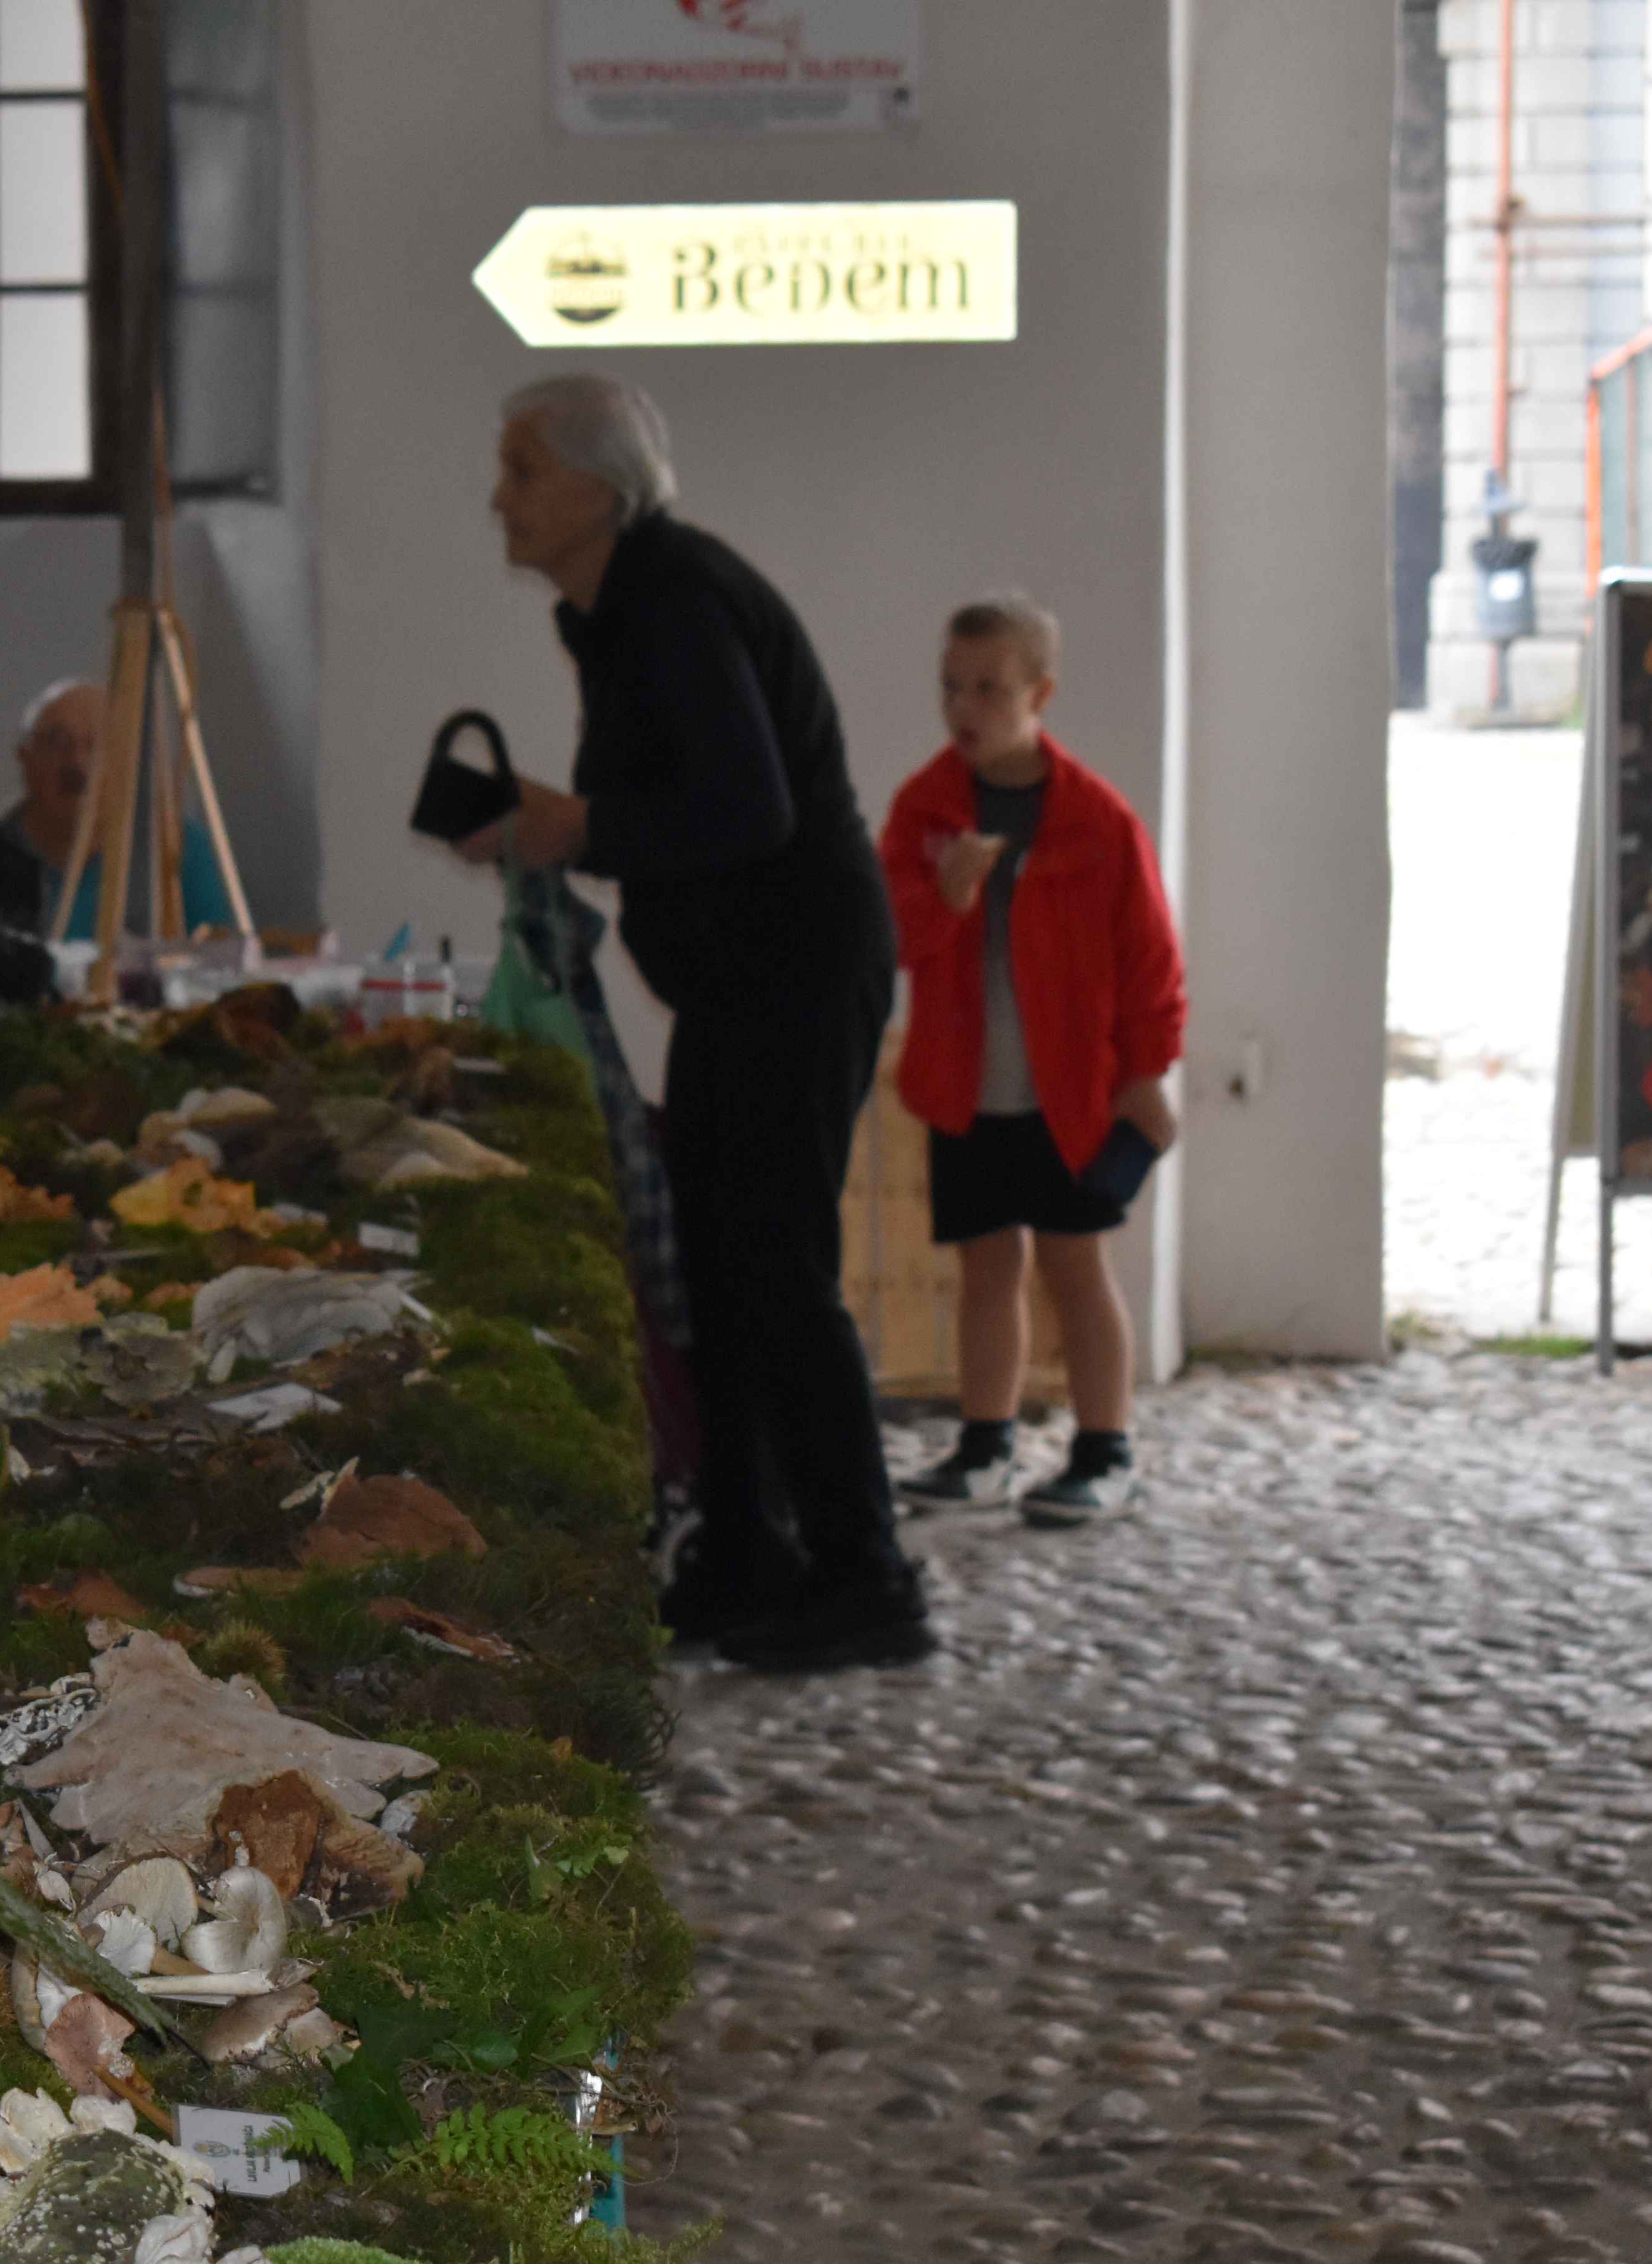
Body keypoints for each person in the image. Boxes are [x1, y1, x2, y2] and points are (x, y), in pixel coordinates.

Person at [453, 374, 927, 1672]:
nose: (500, 497)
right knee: (720, 1269)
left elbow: (747, 807)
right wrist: (561, 824)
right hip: (748, 983)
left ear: (598, 488)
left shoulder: (673, 598)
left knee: (775, 1267)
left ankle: (867, 1575)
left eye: (523, 468)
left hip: (798, 969)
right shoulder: (621, 609)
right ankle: (742, 1555)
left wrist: (579, 826)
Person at [877, 595, 1186, 1524]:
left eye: (989, 688)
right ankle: (986, 1447)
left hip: (1071, 1095)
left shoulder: (1097, 819)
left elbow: (1150, 957)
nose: (963, 707)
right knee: (985, 1268)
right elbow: (888, 936)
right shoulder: (925, 808)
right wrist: (944, 898)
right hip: (965, 1089)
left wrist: (1146, 1071)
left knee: (1074, 1267)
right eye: (951, 686)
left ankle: (1105, 1450)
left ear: (1039, 694)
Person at [3, 679, 240, 942]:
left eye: (98, 744)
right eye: (58, 743)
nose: (78, 764)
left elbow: (218, 954)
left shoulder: (177, 849)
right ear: (25, 758)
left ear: (126, 760)